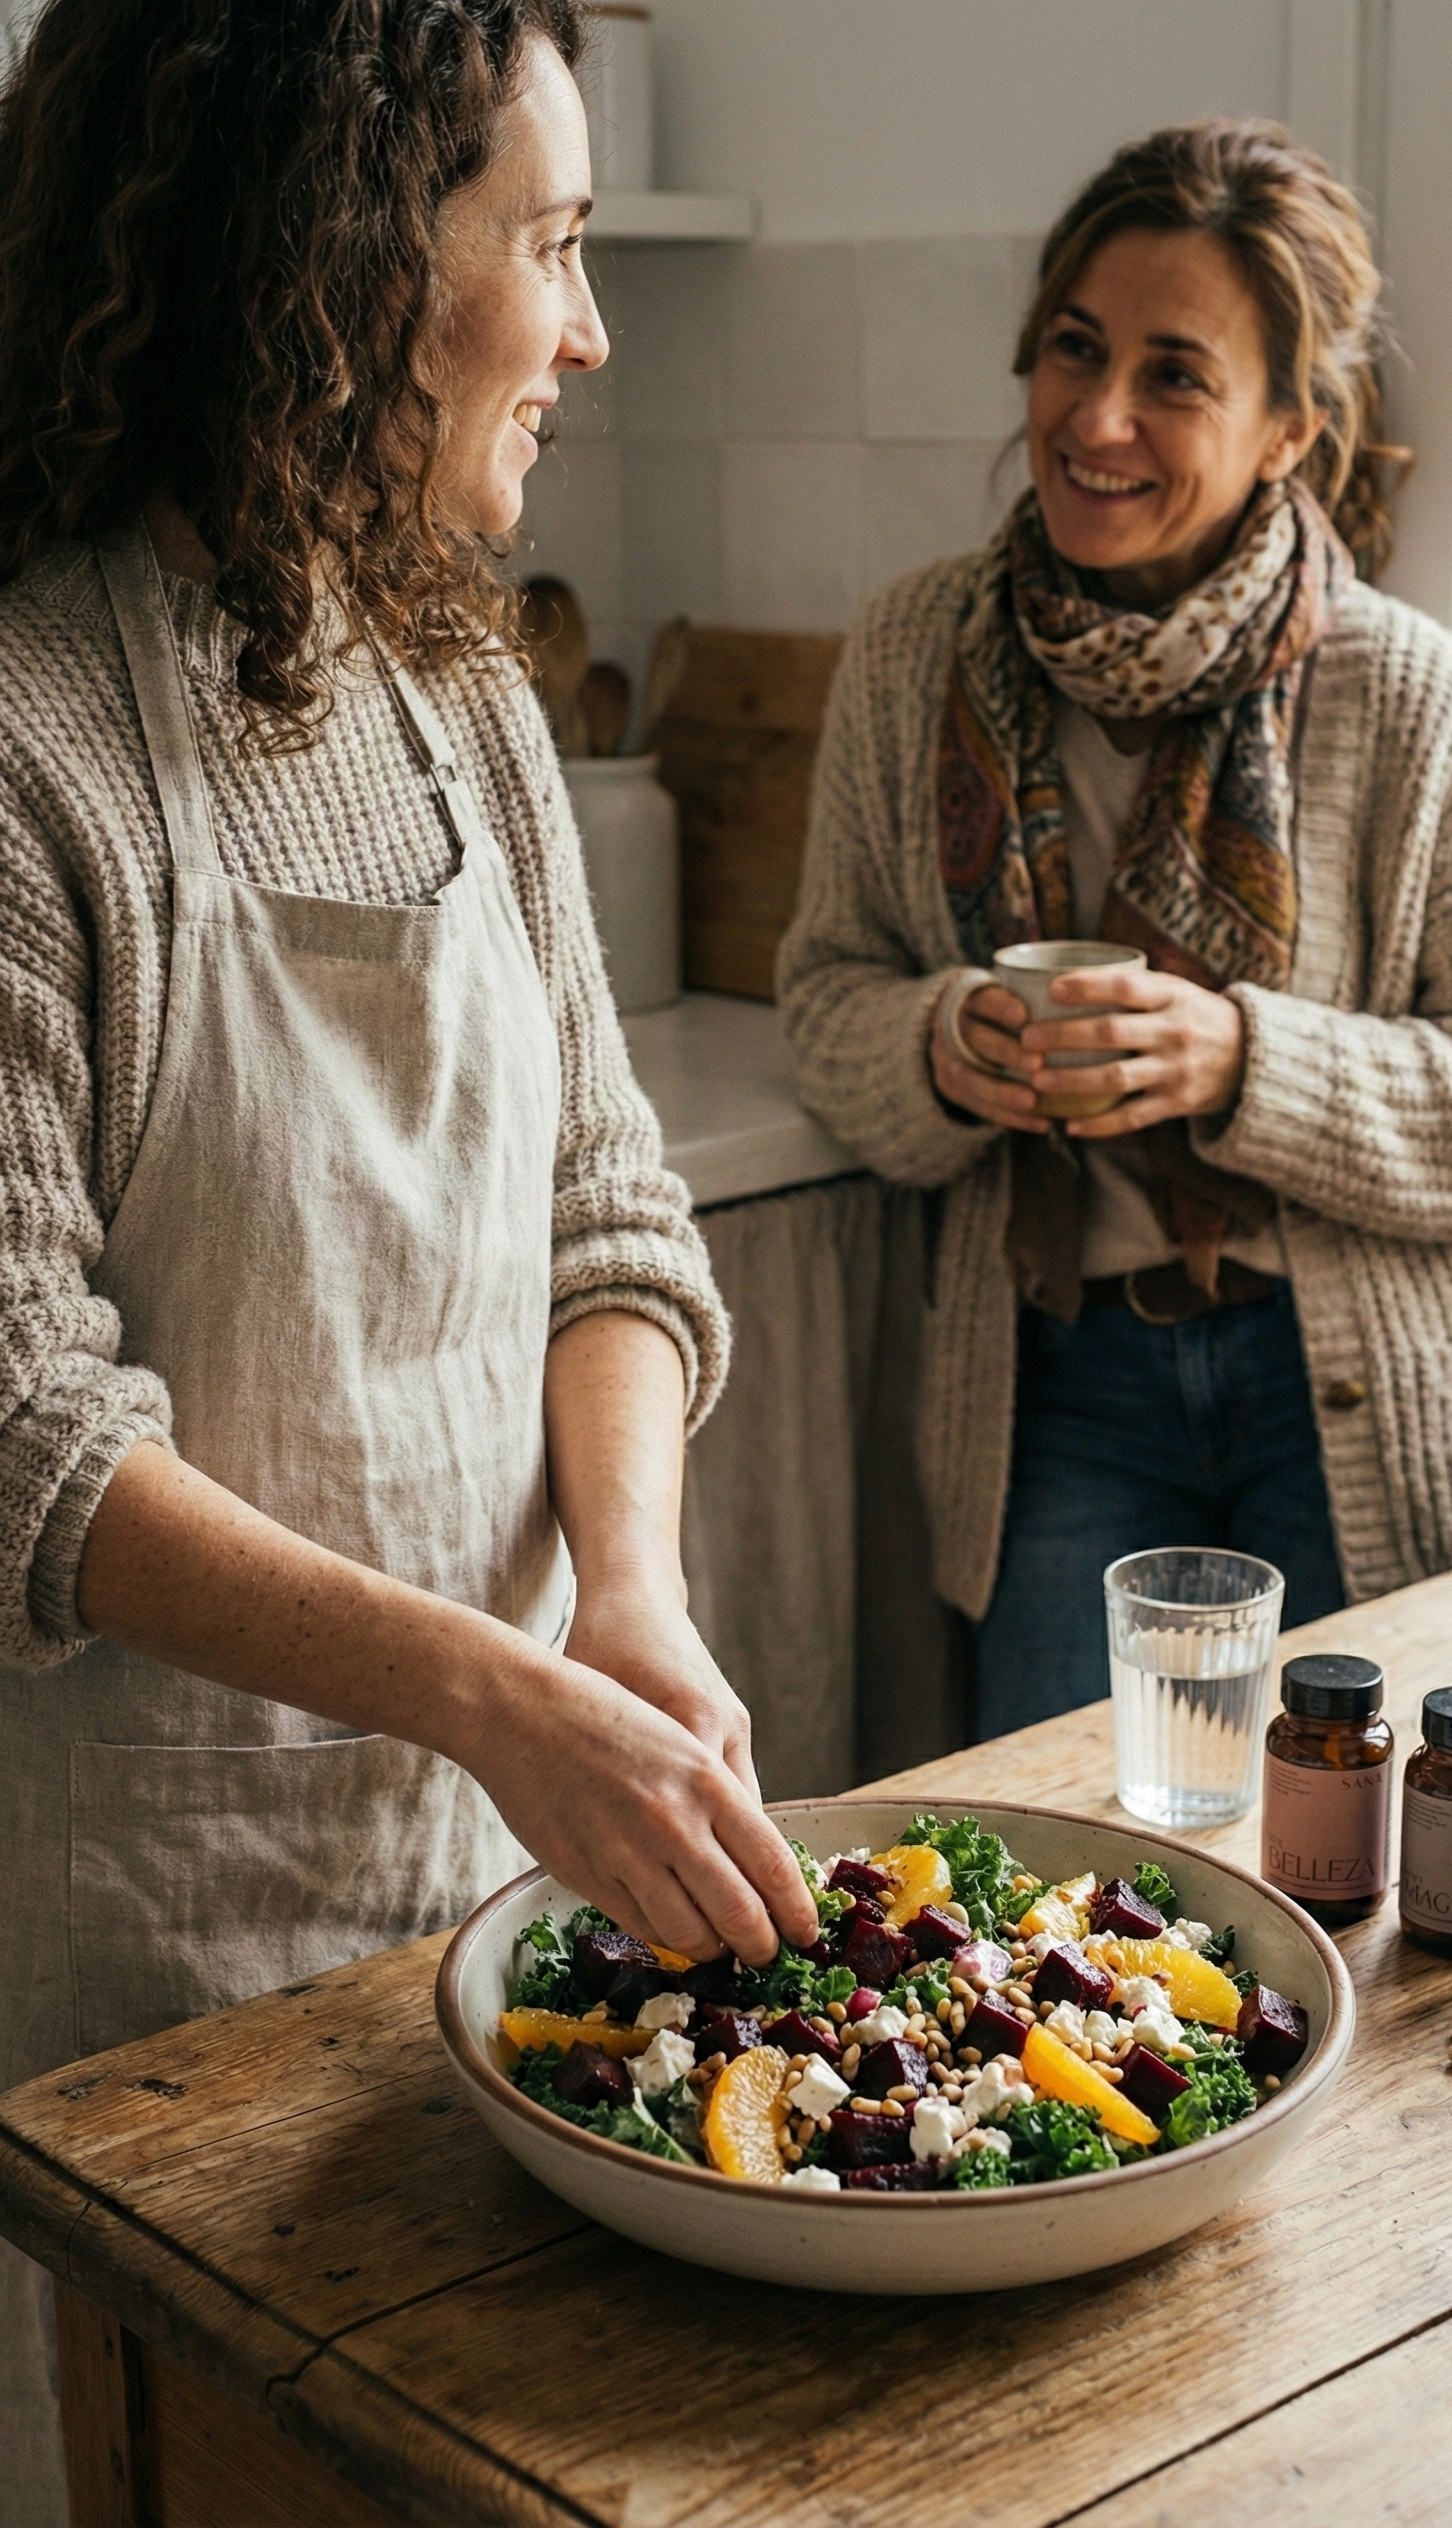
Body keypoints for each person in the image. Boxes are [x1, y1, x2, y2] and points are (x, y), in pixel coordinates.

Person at [0, 4, 815, 2512]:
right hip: (162, 1932)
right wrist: (489, 1689)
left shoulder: (461, 690)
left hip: (497, 1875)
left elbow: (609, 1212)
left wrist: (629, 1617)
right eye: (547, 247)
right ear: (343, 259)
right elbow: (24, 1426)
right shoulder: (29, 739)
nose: (585, 331)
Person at [779, 121, 1452, 1743]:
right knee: (1073, 1863)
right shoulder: (910, 657)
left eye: (1176, 375)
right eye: (1076, 351)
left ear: (1290, 428)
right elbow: (824, 998)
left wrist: (1246, 1060)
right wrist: (945, 1047)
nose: (1097, 421)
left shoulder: (1400, 691)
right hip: (1062, 1384)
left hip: (1355, 1384)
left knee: (1356, 1887)